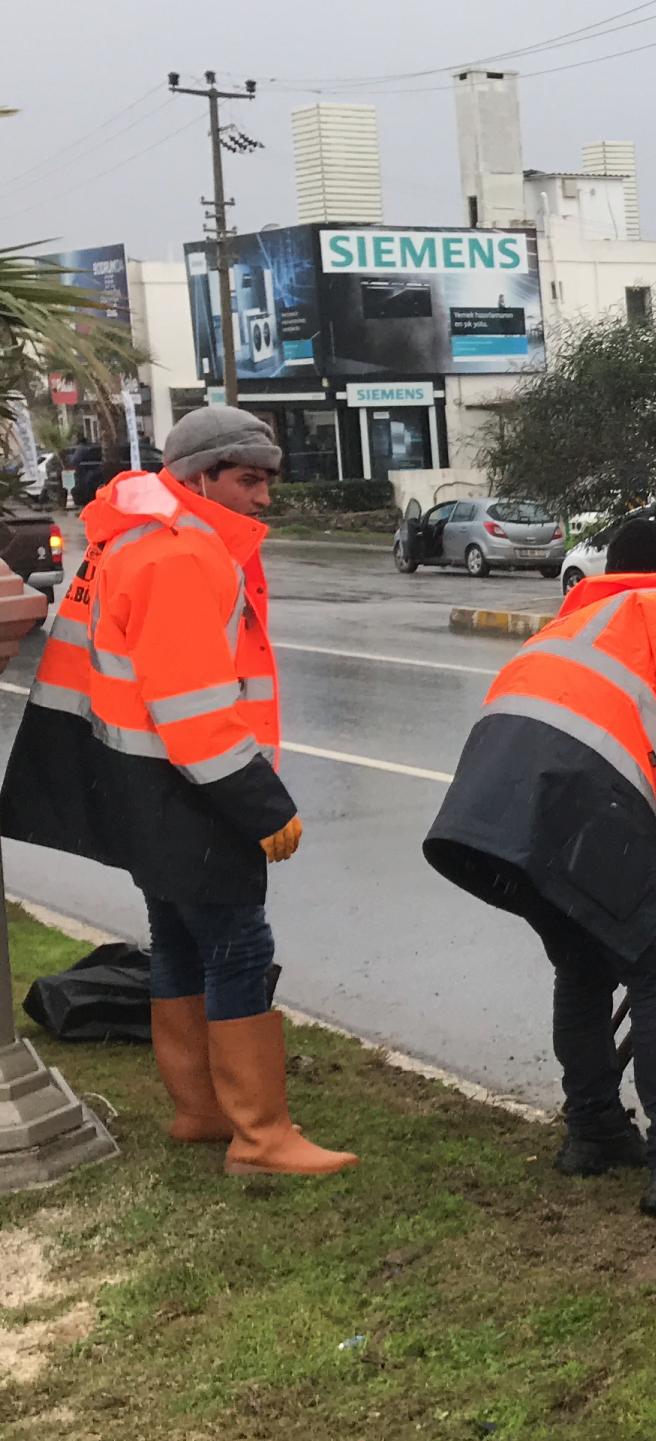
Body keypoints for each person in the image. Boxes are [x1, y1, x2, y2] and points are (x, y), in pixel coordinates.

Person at [0, 405, 355, 1177]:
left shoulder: (130, 540)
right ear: (199, 477)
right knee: (238, 947)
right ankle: (261, 1136)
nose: (264, 497)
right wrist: (261, 804)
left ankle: (200, 1110)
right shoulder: (182, 555)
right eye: (249, 480)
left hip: (141, 787)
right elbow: (192, 705)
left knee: (180, 944)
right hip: (191, 791)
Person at [422, 518, 656, 1218]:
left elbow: (648, 765)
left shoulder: (593, 616)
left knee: (583, 964)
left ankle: (593, 1129)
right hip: (579, 792)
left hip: (492, 801)